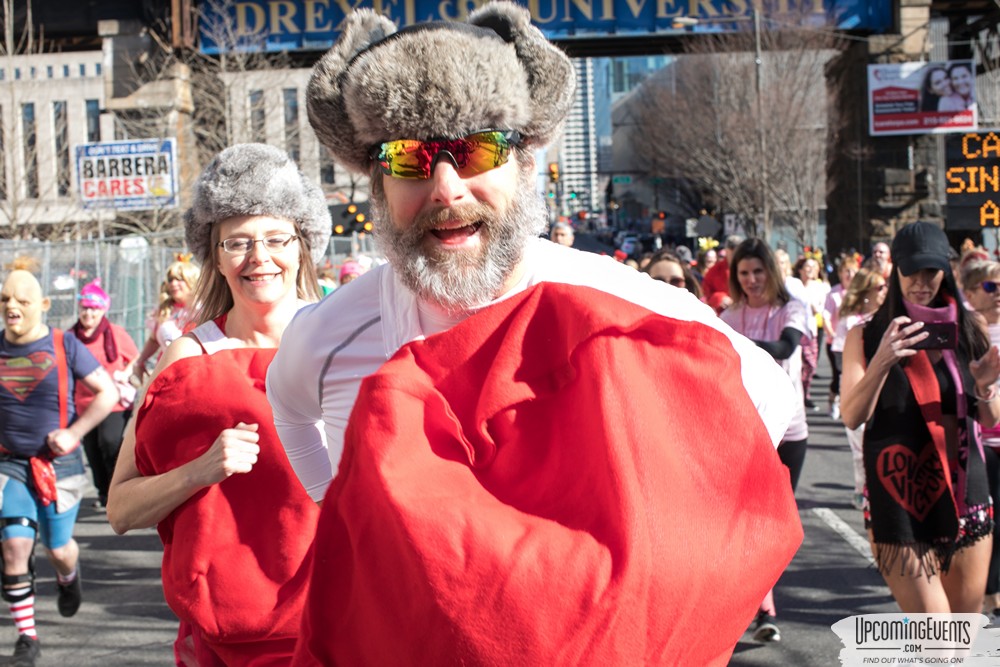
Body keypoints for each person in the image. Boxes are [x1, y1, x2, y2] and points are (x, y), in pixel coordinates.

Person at [269, 4, 802, 665]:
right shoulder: (329, 336)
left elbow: (774, 400)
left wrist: (694, 611)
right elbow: (288, 406)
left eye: (476, 151)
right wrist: (344, 521)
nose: (445, 187)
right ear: (377, 179)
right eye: (408, 157)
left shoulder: (629, 305)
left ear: (524, 162)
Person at [106, 144, 327, 665]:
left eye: (276, 238)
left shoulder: (345, 341)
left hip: (341, 623)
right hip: (224, 643)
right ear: (215, 253)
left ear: (302, 245)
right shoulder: (185, 357)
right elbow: (119, 509)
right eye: (238, 242)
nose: (259, 258)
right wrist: (200, 470)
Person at [840, 222, 1000, 613]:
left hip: (967, 494)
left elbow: (989, 418)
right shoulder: (865, 336)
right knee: (938, 639)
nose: (921, 282)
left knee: (961, 642)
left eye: (931, 270)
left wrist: (984, 387)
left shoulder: (970, 326)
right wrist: (882, 361)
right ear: (895, 270)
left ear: (947, 270)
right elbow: (851, 415)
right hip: (899, 496)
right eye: (912, 270)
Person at [0, 267, 118, 666]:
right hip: (10, 465)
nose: (11, 307)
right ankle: (27, 639)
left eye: (22, 300)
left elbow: (108, 392)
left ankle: (69, 577)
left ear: (43, 306)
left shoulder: (64, 345)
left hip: (60, 467)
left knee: (58, 550)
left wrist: (74, 432)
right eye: (5, 300)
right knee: (14, 545)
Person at [719, 238, 810, 643]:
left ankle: (756, 602)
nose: (752, 280)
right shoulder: (729, 315)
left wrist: (739, 346)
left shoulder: (791, 308)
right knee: (752, 519)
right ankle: (763, 609)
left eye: (758, 271)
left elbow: (787, 346)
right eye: (744, 273)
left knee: (775, 522)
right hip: (745, 432)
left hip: (790, 429)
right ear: (735, 277)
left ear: (770, 271)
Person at [69, 279, 139, 509]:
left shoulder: (115, 333)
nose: (89, 313)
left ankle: (118, 490)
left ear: (103, 309)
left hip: (114, 402)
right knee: (91, 449)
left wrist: (125, 372)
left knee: (109, 444)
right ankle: (103, 493)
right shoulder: (70, 337)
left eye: (94, 308)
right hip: (83, 404)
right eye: (85, 307)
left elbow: (135, 358)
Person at [961, 260, 1000, 619]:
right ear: (970, 293)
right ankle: (990, 591)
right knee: (991, 520)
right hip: (982, 441)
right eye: (990, 286)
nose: (998, 292)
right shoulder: (967, 332)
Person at [835, 267, 888, 509]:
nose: (885, 291)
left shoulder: (888, 319)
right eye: (879, 287)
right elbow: (839, 355)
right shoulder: (851, 323)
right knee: (860, 449)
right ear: (866, 292)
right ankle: (861, 490)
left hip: (883, 392)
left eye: (886, 286)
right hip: (858, 389)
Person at [132, 257, 200, 384]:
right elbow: (153, 340)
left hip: (195, 374)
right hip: (167, 375)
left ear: (192, 281)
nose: (173, 284)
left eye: (179, 279)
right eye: (170, 280)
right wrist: (140, 361)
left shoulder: (203, 309)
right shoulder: (165, 310)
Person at [823, 254, 860, 420]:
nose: (850, 275)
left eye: (853, 271)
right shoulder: (834, 293)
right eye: (846, 271)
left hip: (854, 341)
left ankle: (849, 404)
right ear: (840, 273)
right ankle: (834, 399)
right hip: (836, 343)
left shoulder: (860, 293)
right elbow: (826, 315)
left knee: (851, 374)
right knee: (838, 374)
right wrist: (831, 333)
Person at [795, 253, 830, 410]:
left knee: (810, 364)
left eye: (813, 267)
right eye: (807, 267)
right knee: (794, 365)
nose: (810, 270)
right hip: (794, 329)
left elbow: (822, 308)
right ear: (800, 270)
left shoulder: (820, 286)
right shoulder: (793, 285)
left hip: (811, 329)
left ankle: (805, 393)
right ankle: (797, 396)